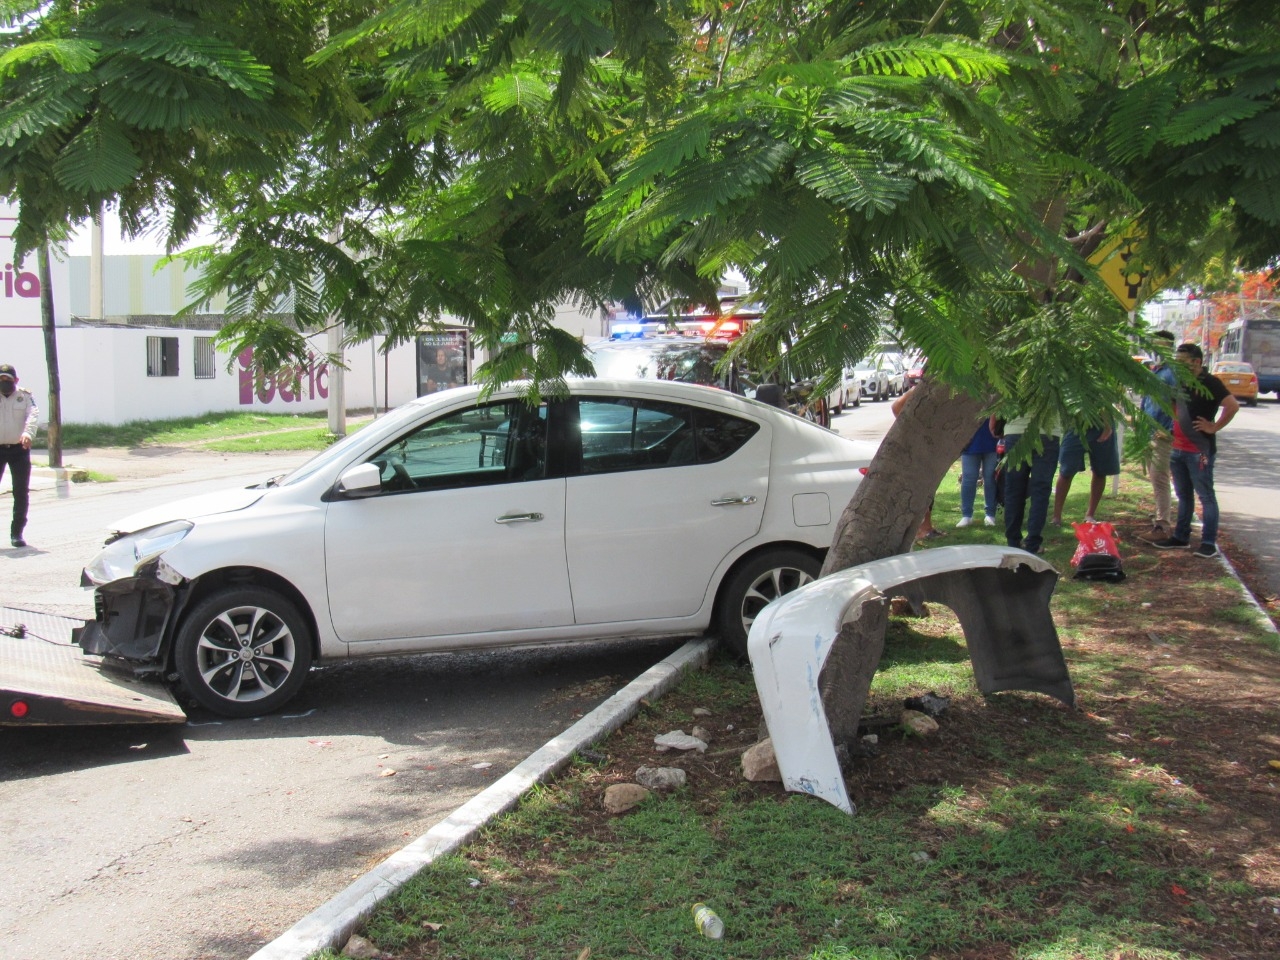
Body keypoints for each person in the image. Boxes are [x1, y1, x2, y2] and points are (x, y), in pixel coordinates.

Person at [1152, 343, 1239, 559]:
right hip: (1177, 448)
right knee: (1183, 496)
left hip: (1199, 451)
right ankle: (1181, 537)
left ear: (1197, 362)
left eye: (1182, 362)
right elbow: (1173, 407)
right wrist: (1169, 430)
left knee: (1206, 496)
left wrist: (1214, 426)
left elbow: (1232, 406)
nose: (1178, 367)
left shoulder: (1211, 382)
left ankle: (1208, 543)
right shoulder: (1180, 383)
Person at [993, 411, 1060, 555]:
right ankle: (1032, 543)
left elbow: (998, 399)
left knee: (1013, 489)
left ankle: (1013, 542)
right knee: (1040, 490)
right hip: (1048, 432)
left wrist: (994, 423)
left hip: (1016, 431)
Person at [1137, 330, 1179, 543]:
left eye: (1160, 345)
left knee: (1160, 478)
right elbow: (1147, 401)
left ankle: (1163, 526)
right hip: (1149, 431)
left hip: (1164, 434)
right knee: (1155, 478)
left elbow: (1180, 403)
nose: (1155, 349)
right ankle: (1159, 518)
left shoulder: (1173, 373)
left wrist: (1170, 429)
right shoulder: (1156, 370)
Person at [891, 385, 943, 541]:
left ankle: (926, 527)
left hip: (931, 445)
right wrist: (913, 427)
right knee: (922, 488)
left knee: (929, 489)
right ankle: (921, 529)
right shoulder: (919, 390)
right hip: (919, 448)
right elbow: (896, 407)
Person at [0, 363, 39, 548]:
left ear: (15, 380)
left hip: (19, 449)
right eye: (0, 379)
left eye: (7, 379)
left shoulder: (25, 397)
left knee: (20, 492)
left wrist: (28, 434)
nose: (4, 382)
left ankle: (17, 533)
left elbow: (33, 416)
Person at [1051, 421, 1119, 526]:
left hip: (1102, 426)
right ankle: (1056, 517)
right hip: (1077, 424)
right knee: (1066, 471)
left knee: (1100, 471)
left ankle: (1090, 515)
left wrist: (1107, 425)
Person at [957, 419, 999, 527]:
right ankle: (966, 515)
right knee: (969, 478)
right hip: (970, 443)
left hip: (992, 440)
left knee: (990, 478)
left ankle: (990, 514)